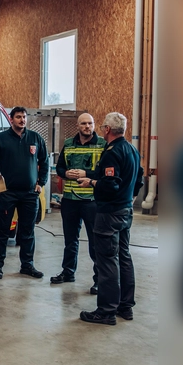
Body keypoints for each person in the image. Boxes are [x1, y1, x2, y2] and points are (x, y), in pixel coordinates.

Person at [77, 112, 144, 325]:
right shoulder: (132, 150)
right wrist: (130, 198)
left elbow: (110, 184)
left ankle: (106, 311)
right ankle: (126, 306)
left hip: (109, 214)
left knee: (107, 260)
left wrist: (92, 182)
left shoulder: (112, 153)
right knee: (123, 256)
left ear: (107, 129)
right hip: (125, 211)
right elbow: (139, 178)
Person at [0, 106, 49, 279]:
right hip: (7, 194)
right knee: (2, 230)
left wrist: (41, 182)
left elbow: (45, 161)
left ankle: (27, 265)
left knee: (27, 231)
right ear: (11, 119)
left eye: (24, 117)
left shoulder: (35, 138)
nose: (22, 120)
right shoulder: (0, 139)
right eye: (18, 117)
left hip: (29, 194)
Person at [51, 113, 106, 294]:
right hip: (70, 200)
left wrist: (86, 174)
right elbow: (60, 167)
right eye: (83, 123)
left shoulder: (102, 145)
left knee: (95, 242)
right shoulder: (68, 144)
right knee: (70, 240)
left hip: (92, 201)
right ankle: (68, 272)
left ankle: (99, 279)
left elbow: (104, 172)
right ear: (78, 125)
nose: (87, 126)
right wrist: (66, 174)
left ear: (94, 125)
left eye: (90, 123)